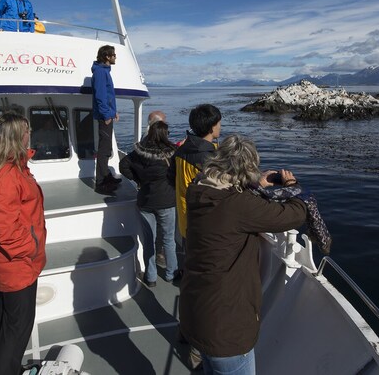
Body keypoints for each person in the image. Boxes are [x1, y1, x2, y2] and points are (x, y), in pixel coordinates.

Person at [179, 135, 331, 375]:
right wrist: (292, 187)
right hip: (226, 330)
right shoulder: (236, 205)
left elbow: (233, 200)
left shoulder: (199, 189)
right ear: (247, 169)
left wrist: (256, 183)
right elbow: (292, 215)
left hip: (196, 313)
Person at [0, 112, 47, 375]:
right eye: (26, 130)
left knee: (6, 321)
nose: (30, 133)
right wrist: (31, 248)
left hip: (10, 264)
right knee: (18, 328)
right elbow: (5, 231)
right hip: (18, 264)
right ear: (16, 137)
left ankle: (1, 369)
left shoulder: (3, 166)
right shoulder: (6, 174)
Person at [119, 120, 178, 287]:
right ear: (164, 135)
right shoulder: (171, 153)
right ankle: (171, 273)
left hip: (145, 200)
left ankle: (151, 277)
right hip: (166, 201)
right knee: (168, 239)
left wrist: (137, 179)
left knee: (148, 240)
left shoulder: (138, 153)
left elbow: (123, 165)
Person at [170, 104, 221, 240]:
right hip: (203, 224)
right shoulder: (208, 158)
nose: (220, 126)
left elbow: (171, 178)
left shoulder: (181, 150)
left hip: (185, 220)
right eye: (218, 123)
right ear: (211, 127)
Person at [91, 44, 122, 194]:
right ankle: (101, 183)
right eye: (113, 55)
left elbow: (109, 96)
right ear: (107, 57)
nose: (115, 57)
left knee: (107, 148)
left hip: (108, 114)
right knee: (103, 150)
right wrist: (106, 115)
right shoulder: (100, 73)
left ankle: (106, 176)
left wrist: (113, 111)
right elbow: (100, 96)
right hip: (104, 117)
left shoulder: (104, 71)